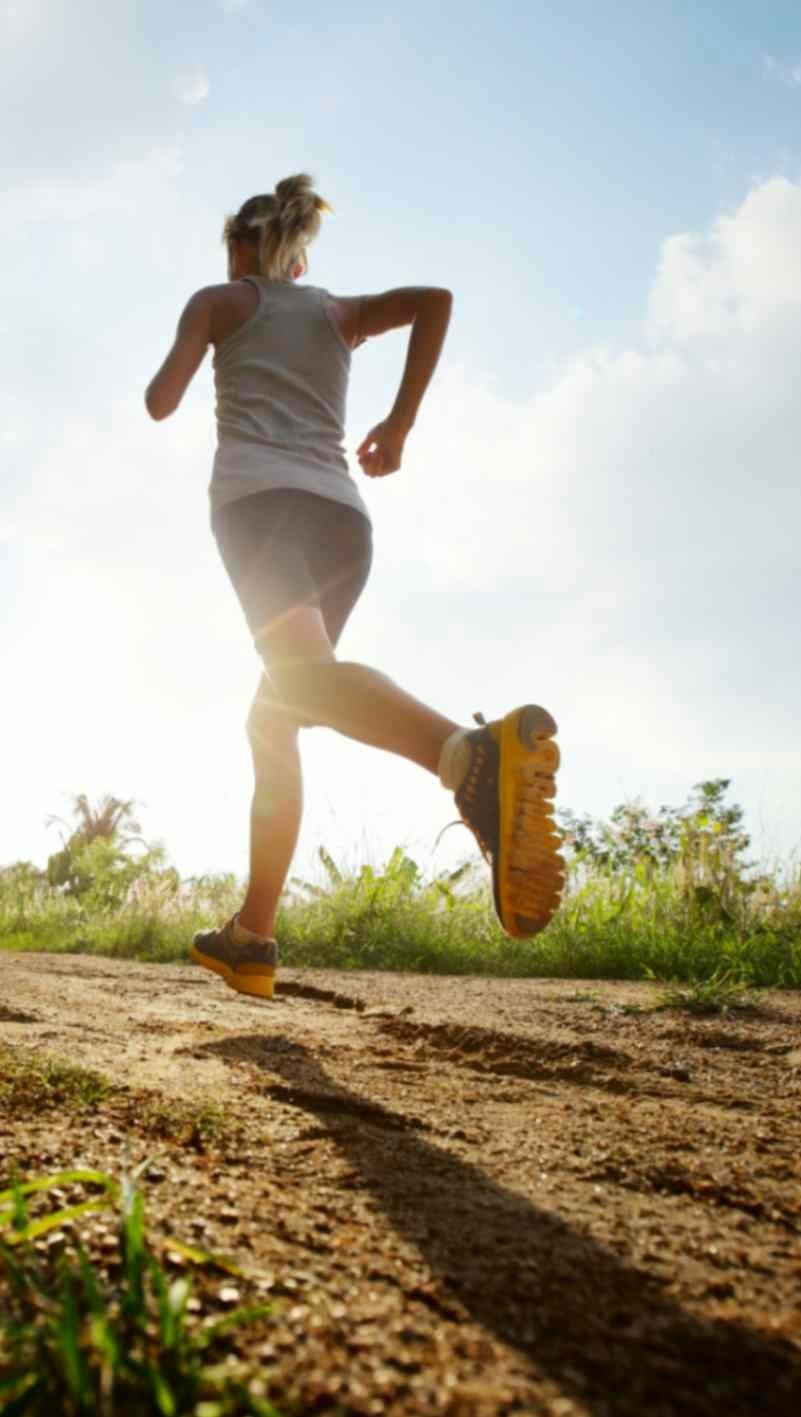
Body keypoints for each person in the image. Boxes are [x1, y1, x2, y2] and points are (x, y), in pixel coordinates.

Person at [143, 173, 566, 1000]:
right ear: (298, 260)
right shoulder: (337, 312)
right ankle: (253, 935)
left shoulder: (219, 300)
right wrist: (399, 423)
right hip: (342, 520)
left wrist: (201, 332)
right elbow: (435, 301)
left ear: (240, 251)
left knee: (300, 685)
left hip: (259, 507)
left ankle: (469, 756)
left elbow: (161, 401)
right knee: (277, 715)